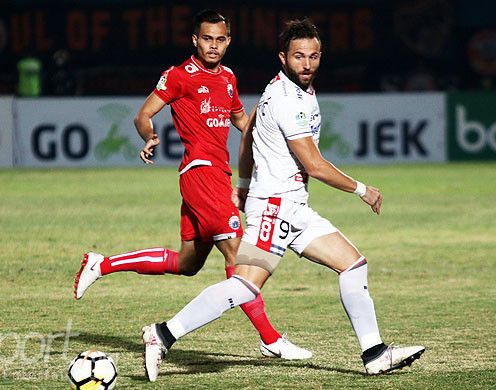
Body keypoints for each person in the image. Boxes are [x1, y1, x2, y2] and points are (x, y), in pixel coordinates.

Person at [140, 19, 425, 382]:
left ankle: (374, 353)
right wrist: (361, 189)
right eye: (298, 57)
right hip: (275, 210)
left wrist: (242, 184)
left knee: (353, 265)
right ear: (283, 58)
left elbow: (247, 137)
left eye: (313, 56)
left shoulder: (286, 91)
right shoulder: (287, 100)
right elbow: (314, 165)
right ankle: (162, 334)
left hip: (293, 209)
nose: (306, 64)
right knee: (242, 286)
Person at [73, 9, 310, 360]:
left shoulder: (228, 77)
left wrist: (269, 132)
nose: (213, 46)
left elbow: (240, 120)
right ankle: (271, 339)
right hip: (201, 172)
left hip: (217, 174)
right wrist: (150, 136)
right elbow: (143, 114)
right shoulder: (179, 76)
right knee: (242, 254)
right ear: (195, 40)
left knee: (188, 263)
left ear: (228, 41)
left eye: (220, 39)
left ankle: (101, 264)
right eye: (207, 39)